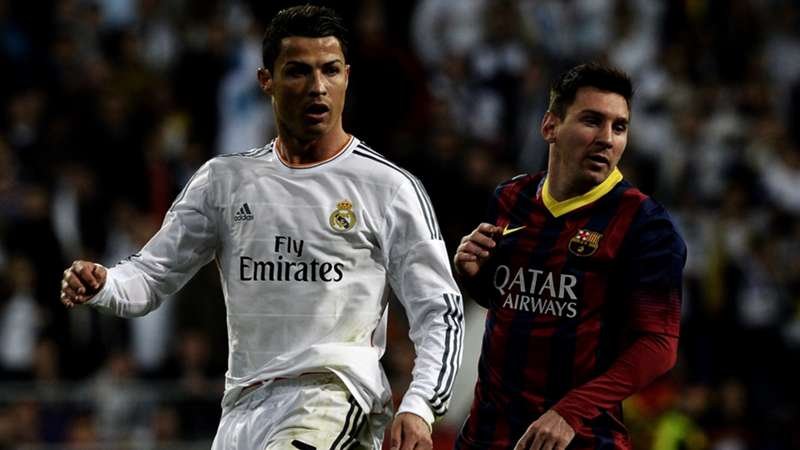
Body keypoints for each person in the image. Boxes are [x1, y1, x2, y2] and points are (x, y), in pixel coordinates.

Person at [59, 5, 464, 450]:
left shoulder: (387, 188)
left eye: (330, 70)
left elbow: (439, 310)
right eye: (298, 71)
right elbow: (151, 276)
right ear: (265, 80)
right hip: (241, 408)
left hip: (332, 396)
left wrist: (421, 403)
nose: (317, 87)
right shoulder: (224, 182)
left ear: (347, 77)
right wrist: (104, 283)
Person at [453, 63, 686, 450]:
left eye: (619, 127)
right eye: (592, 121)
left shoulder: (645, 225)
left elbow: (659, 345)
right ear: (550, 127)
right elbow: (507, 302)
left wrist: (570, 411)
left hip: (580, 437)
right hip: (488, 433)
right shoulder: (510, 197)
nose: (607, 139)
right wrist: (472, 275)